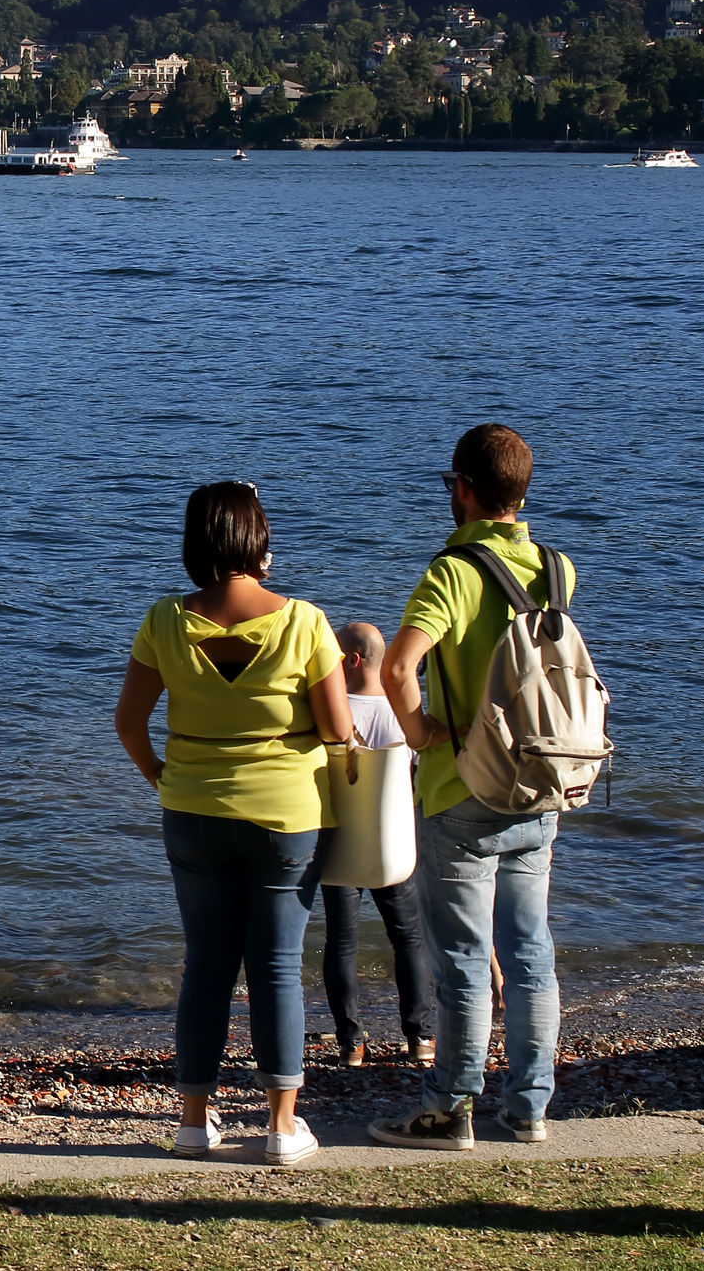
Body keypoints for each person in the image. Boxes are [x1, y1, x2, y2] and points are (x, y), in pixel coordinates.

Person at [114, 481, 355, 1167]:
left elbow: (128, 722)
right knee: (277, 965)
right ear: (259, 539)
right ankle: (281, 1126)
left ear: (194, 542)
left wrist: (163, 776)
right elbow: (338, 729)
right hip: (288, 815)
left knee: (206, 963)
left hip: (192, 809)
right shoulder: (304, 622)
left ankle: (194, 1122)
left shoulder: (164, 620)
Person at [368, 424, 573, 1151]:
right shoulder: (556, 568)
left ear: (462, 488)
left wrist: (422, 732)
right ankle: (530, 1107)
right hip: (540, 783)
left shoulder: (452, 573)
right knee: (531, 951)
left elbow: (398, 667)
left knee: (462, 959)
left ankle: (449, 1108)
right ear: (522, 493)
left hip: (462, 790)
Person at [321, 621, 438, 1068]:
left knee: (341, 941)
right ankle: (420, 1037)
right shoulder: (403, 710)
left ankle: (350, 1042)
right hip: (392, 840)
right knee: (408, 938)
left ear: (351, 660)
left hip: (340, 841)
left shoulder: (330, 709)